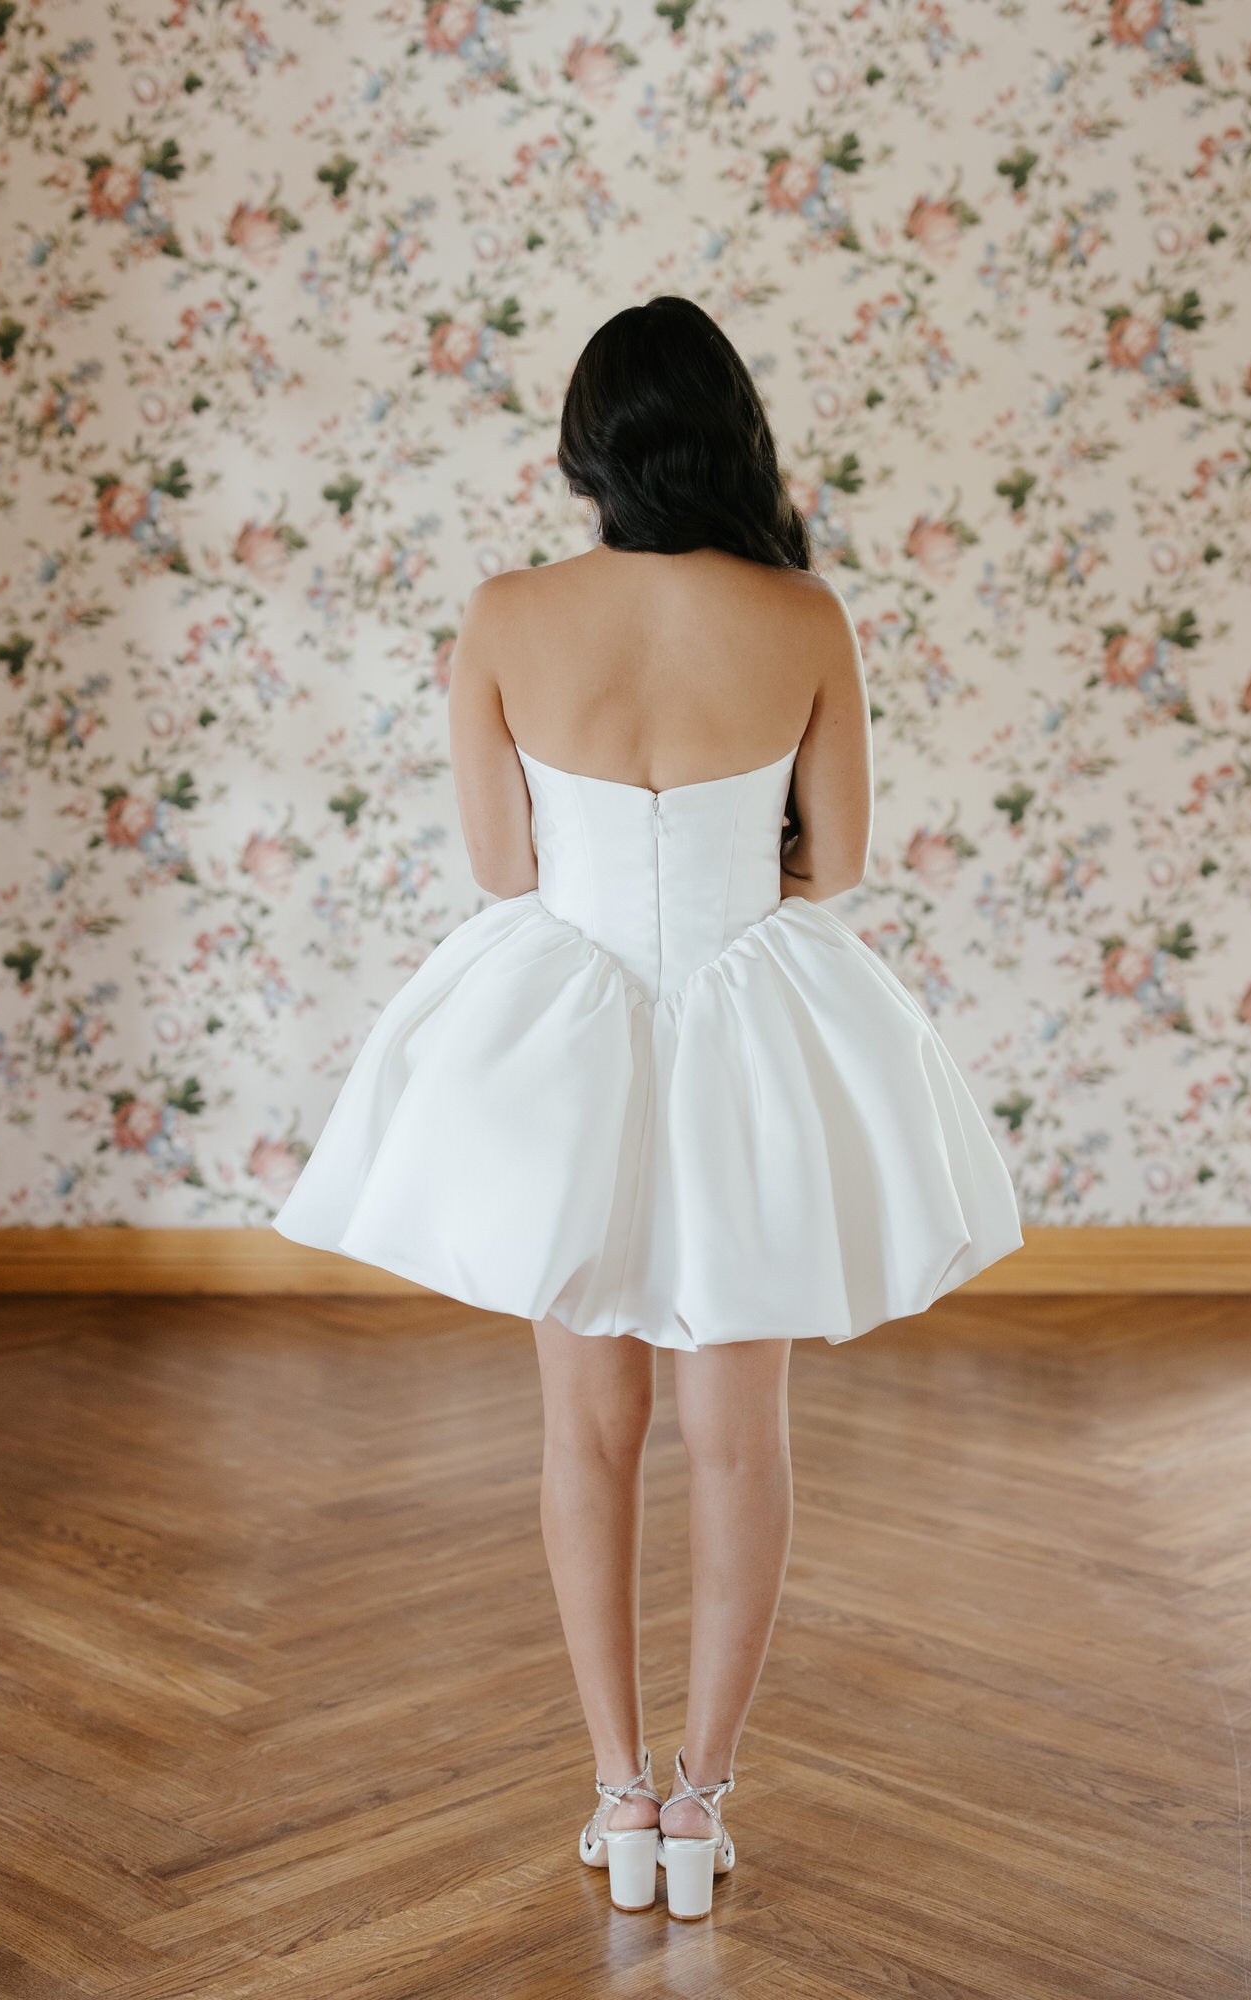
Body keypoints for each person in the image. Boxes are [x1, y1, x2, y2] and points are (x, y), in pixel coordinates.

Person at [271, 294, 1024, 1921]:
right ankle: (701, 1807)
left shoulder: (505, 611)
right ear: (730, 431)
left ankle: (615, 1794)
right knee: (734, 1443)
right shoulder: (801, 614)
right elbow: (840, 861)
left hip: (573, 1037)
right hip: (749, 1026)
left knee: (583, 1432)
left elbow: (499, 868)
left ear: (585, 441)